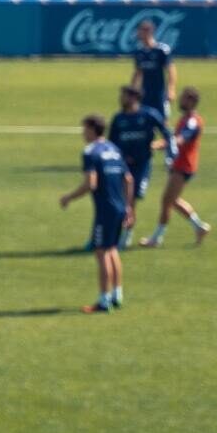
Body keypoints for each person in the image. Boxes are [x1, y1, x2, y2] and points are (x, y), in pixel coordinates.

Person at [60, 115, 134, 314]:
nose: (83, 133)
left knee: (101, 252)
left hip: (105, 211)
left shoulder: (90, 152)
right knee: (112, 250)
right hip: (119, 207)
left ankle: (103, 301)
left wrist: (69, 197)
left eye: (84, 129)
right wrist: (129, 207)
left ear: (93, 129)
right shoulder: (114, 149)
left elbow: (90, 184)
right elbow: (128, 179)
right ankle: (117, 295)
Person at [142, 87, 212, 247]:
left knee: (167, 200)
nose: (180, 101)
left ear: (192, 101)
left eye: (184, 98)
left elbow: (182, 139)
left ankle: (157, 238)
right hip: (179, 164)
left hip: (184, 165)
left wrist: (161, 145)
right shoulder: (185, 119)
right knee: (172, 200)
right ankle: (199, 227)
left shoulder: (192, 121)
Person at [107, 85, 172, 248]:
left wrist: (159, 145)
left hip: (142, 165)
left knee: (132, 198)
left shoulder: (149, 115)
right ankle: (119, 234)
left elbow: (168, 135)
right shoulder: (118, 119)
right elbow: (111, 144)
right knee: (120, 199)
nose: (121, 99)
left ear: (134, 98)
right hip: (122, 166)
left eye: (124, 96)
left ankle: (126, 236)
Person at [131, 19, 176, 120]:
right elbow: (138, 72)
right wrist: (132, 90)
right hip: (145, 94)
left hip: (159, 93)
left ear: (149, 32)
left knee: (163, 120)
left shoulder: (161, 50)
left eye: (140, 31)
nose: (138, 34)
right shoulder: (139, 52)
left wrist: (171, 89)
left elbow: (171, 70)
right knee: (145, 121)